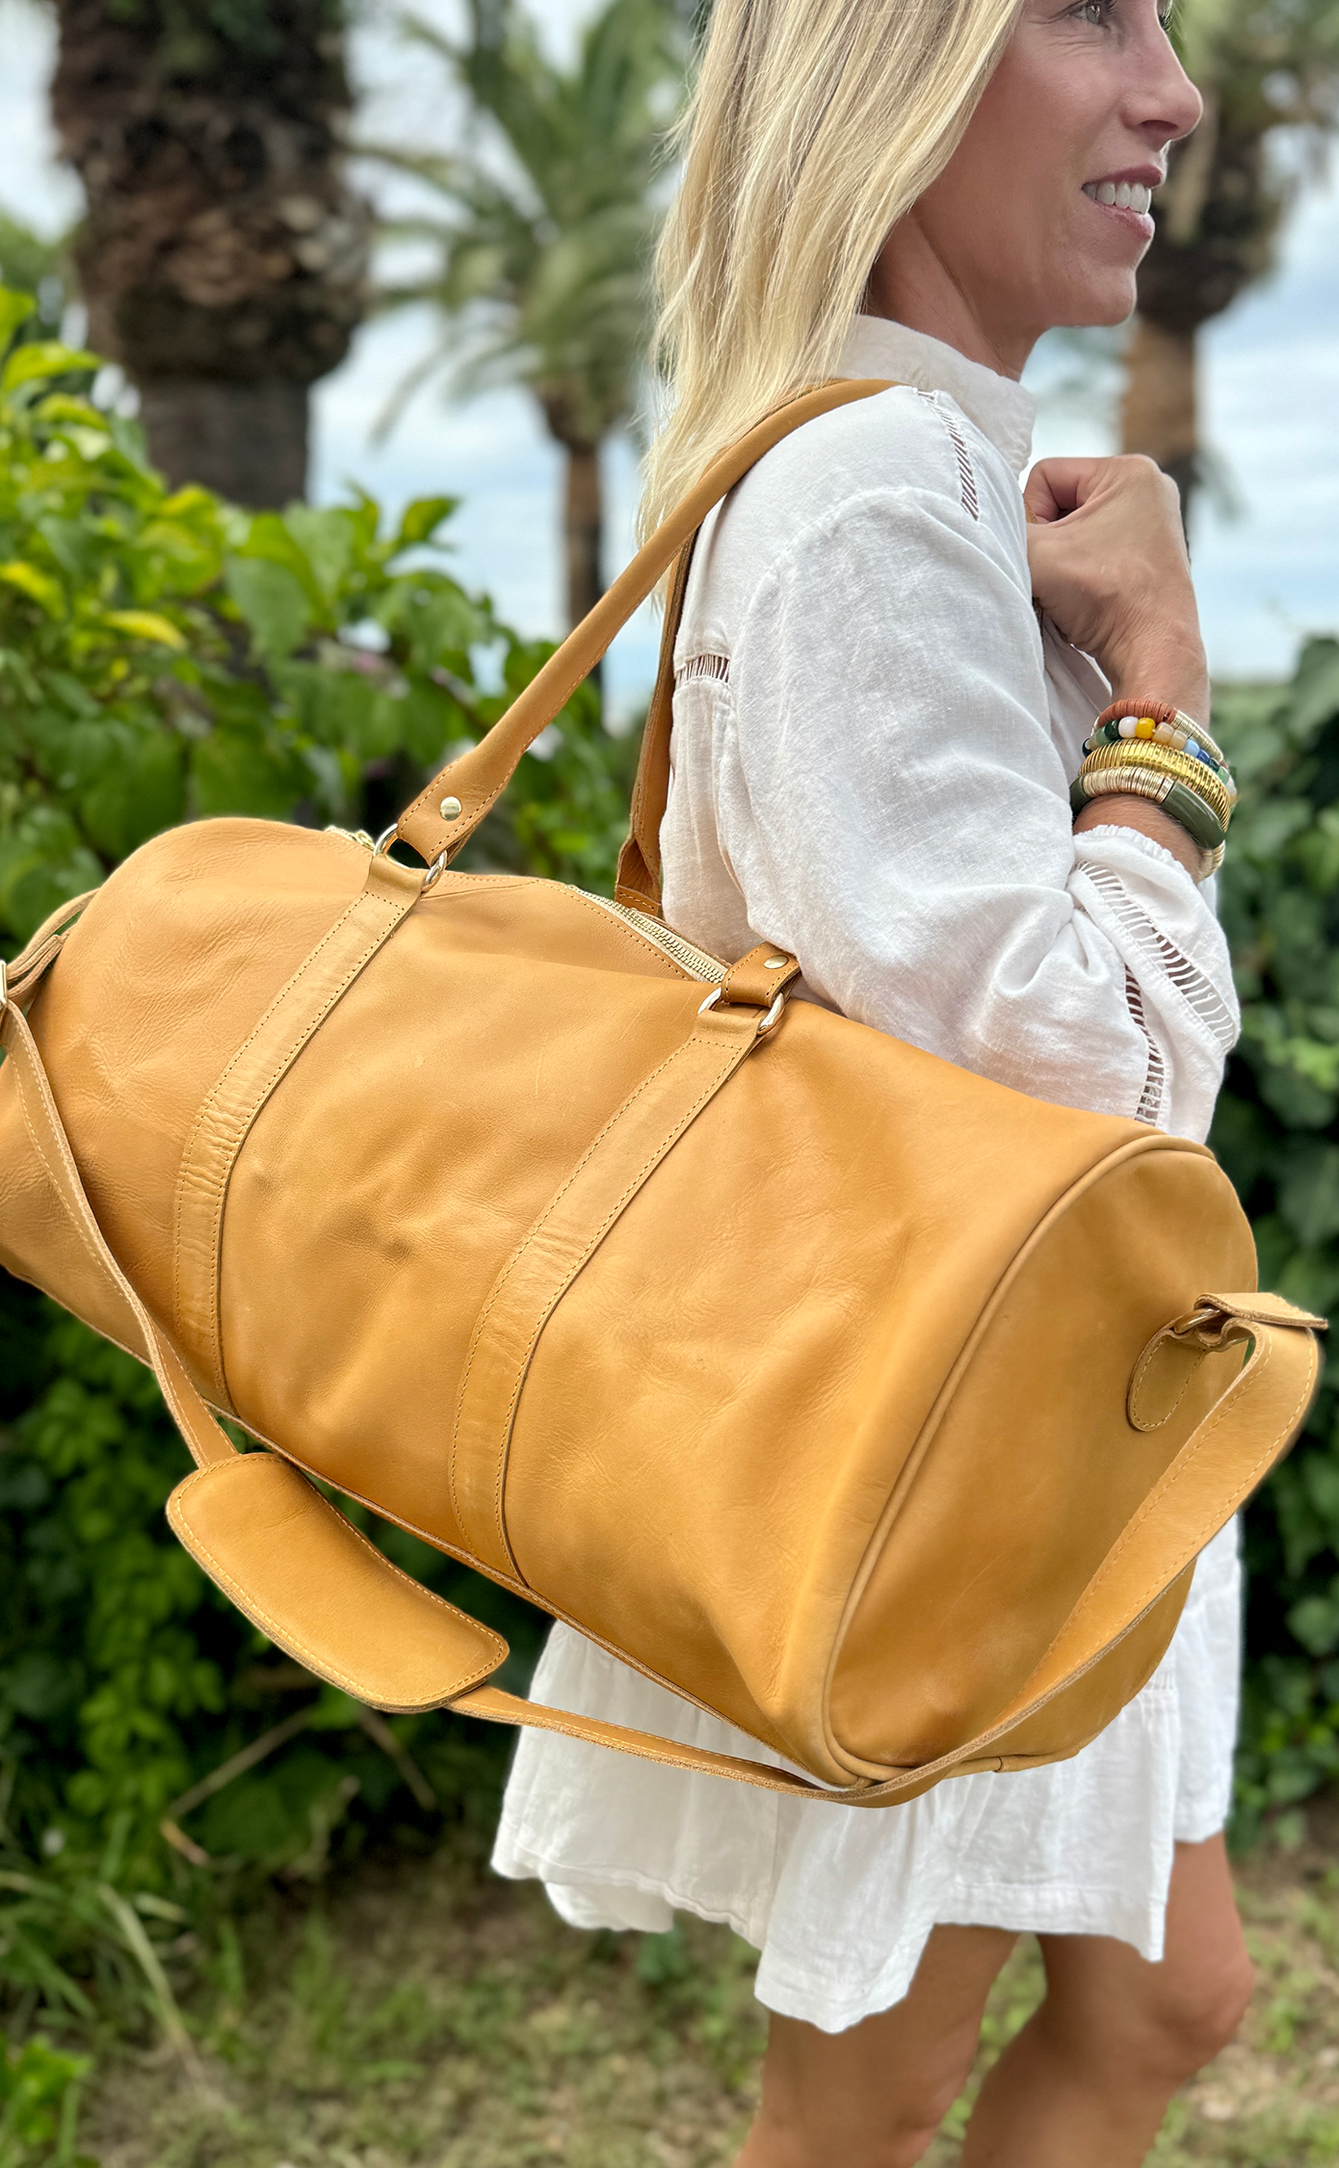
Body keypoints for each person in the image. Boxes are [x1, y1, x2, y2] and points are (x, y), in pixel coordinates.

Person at [493, 2, 1252, 2161]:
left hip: (1020, 1440)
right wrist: (1165, 692)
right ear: (886, 67)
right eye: (1089, 13)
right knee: (865, 2089)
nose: (1171, 92)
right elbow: (1088, 1066)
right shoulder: (862, 496)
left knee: (1173, 1996)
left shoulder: (913, 474)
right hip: (943, 1462)